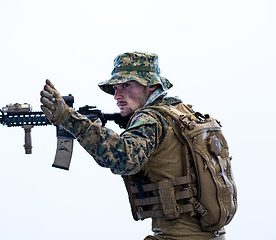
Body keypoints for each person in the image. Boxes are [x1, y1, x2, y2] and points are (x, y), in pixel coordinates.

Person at [40, 52, 227, 239]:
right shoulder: (181, 112)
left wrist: (69, 119)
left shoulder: (150, 118)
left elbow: (124, 159)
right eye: (115, 88)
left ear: (151, 85)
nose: (117, 96)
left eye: (126, 85)